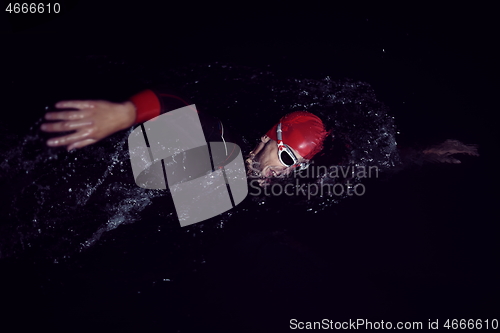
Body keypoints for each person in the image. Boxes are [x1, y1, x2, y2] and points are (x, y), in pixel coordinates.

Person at [40, 87, 479, 186]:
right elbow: (174, 105)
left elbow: (377, 159)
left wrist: (423, 152)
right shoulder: (226, 148)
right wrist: (126, 113)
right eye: (285, 158)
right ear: (268, 141)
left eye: (298, 166)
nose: (286, 173)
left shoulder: (275, 181)